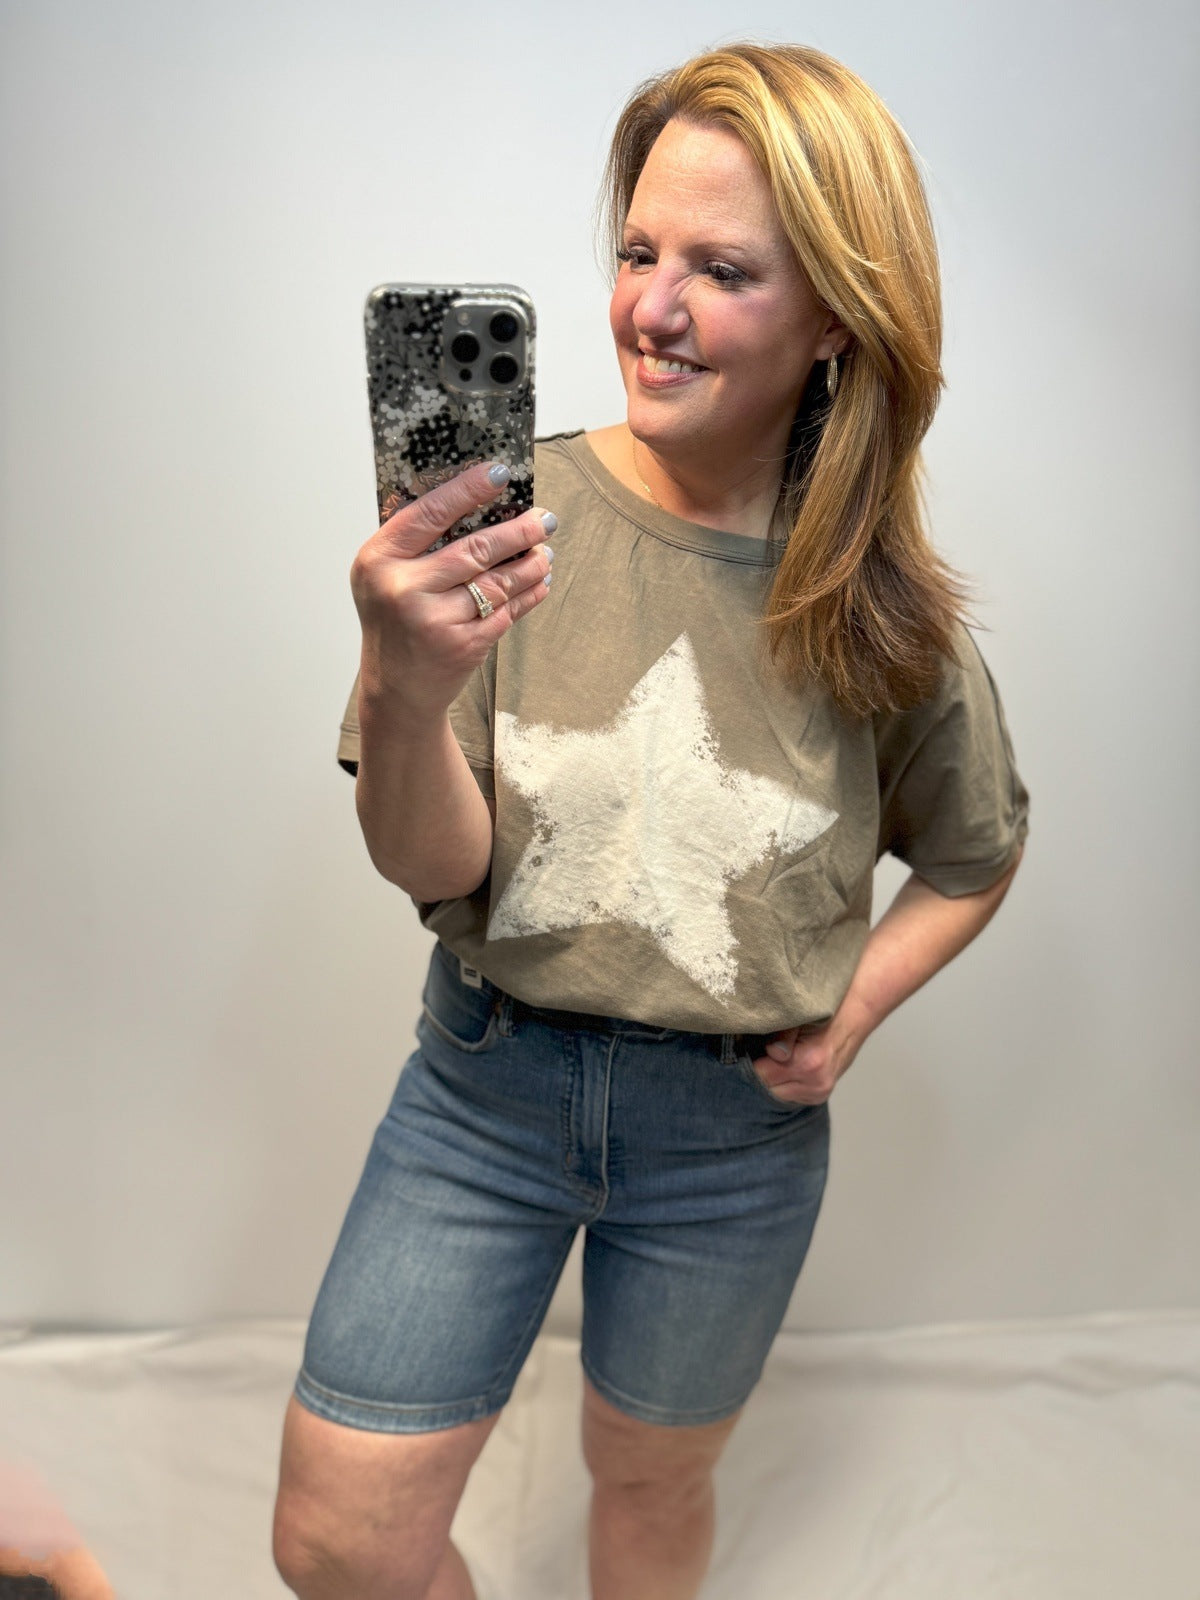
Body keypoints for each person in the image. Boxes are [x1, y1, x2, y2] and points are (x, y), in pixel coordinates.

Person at [273, 41, 1029, 1600]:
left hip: (731, 1144)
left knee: (651, 1481)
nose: (649, 308)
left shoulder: (883, 609)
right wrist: (406, 682)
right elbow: (439, 869)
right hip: (483, 1097)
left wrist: (853, 1013)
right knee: (341, 1541)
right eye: (637, 252)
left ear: (836, 315)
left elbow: (974, 854)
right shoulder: (507, 531)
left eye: (721, 271)